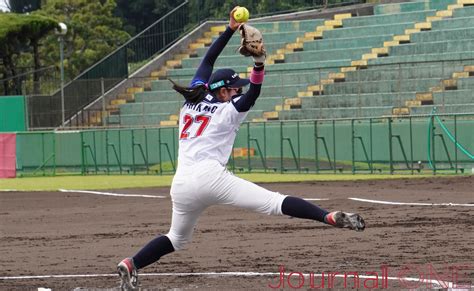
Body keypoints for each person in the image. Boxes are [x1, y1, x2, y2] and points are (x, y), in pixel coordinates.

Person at [117, 7, 365, 290]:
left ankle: (131, 263)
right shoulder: (228, 110)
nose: (237, 90)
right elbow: (254, 93)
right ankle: (327, 216)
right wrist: (259, 62)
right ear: (223, 91)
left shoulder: (192, 99)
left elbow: (209, 59)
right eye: (234, 88)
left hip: (182, 184)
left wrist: (230, 28)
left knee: (176, 238)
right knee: (274, 202)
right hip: (211, 178)